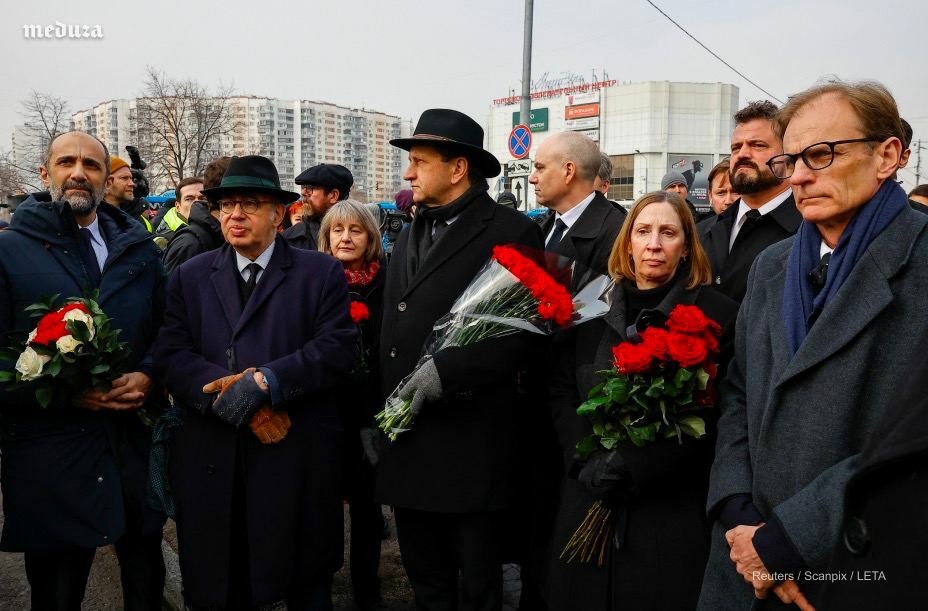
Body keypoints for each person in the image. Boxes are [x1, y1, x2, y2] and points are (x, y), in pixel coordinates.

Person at [699, 80, 928, 610]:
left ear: (887, 155)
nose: (799, 176)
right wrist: (736, 511)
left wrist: (787, 539)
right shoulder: (771, 267)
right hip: (742, 559)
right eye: (791, 160)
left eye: (822, 155)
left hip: (855, 563)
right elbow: (739, 394)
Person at [152, 155, 358, 610]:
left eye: (249, 203)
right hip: (215, 453)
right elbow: (170, 353)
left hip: (294, 452)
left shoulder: (317, 272)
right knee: (220, 580)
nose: (235, 215)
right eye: (226, 205)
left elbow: (338, 349)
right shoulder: (191, 275)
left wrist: (268, 381)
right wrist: (225, 389)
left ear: (278, 214)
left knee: (303, 579)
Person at [376, 108, 543, 609]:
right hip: (407, 440)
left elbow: (530, 334)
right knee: (425, 582)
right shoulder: (408, 231)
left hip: (469, 448)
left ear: (457, 169)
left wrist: (448, 371)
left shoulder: (513, 230)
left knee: (476, 588)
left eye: (420, 162)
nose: (408, 173)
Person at [545, 190, 738, 610]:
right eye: (643, 231)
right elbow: (560, 388)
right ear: (627, 241)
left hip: (666, 511)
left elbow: (718, 413)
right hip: (587, 496)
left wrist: (636, 465)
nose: (653, 243)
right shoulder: (590, 305)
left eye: (668, 232)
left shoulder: (716, 314)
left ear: (686, 247)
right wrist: (584, 460)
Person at [0, 131, 166, 611]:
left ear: (104, 178)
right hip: (53, 456)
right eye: (67, 162)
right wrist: (67, 393)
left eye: (91, 165)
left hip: (132, 443)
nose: (79, 172)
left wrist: (151, 374)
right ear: (44, 173)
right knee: (57, 590)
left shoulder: (140, 248)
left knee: (145, 578)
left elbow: (170, 330)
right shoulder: (10, 251)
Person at [317, 199, 387, 611]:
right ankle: (320, 580)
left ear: (370, 237)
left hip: (371, 409)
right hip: (326, 410)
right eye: (337, 231)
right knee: (323, 503)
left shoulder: (387, 279)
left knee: (367, 504)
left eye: (355, 230)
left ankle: (367, 584)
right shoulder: (314, 281)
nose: (345, 238)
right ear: (326, 239)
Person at [697, 101, 801, 303]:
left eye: (758, 145)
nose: (742, 154)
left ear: (787, 156)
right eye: (736, 147)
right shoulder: (702, 232)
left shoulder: (810, 231)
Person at [531, 131, 627, 281]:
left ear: (568, 171)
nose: (532, 178)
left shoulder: (619, 234)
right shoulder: (540, 226)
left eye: (540, 168)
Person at [284, 163, 353, 251]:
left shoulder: (361, 237)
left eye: (310, 188)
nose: (303, 192)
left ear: (333, 195)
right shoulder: (288, 240)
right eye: (303, 187)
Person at [104, 154, 152, 232]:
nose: (132, 184)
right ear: (107, 182)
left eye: (131, 178)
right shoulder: (89, 220)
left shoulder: (139, 220)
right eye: (124, 178)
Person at [154, 176, 202, 241]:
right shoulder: (165, 241)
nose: (197, 202)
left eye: (202, 198)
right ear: (178, 207)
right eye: (189, 199)